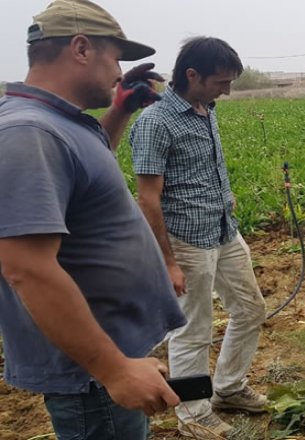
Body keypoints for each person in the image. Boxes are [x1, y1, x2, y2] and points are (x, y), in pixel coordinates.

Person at [0, 1, 187, 439]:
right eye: (115, 58)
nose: (121, 72)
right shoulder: (30, 133)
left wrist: (119, 110)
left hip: (104, 358)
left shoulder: (59, 123)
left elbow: (84, 168)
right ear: (81, 48)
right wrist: (114, 369)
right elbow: (26, 268)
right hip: (91, 373)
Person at [129, 36, 267, 437]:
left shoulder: (206, 108)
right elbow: (148, 200)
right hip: (186, 241)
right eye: (220, 82)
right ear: (192, 75)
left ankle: (228, 387)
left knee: (250, 308)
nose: (227, 90)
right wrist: (168, 262)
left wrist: (223, 194)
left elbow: (201, 167)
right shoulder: (155, 122)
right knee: (193, 328)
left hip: (223, 229)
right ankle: (192, 413)